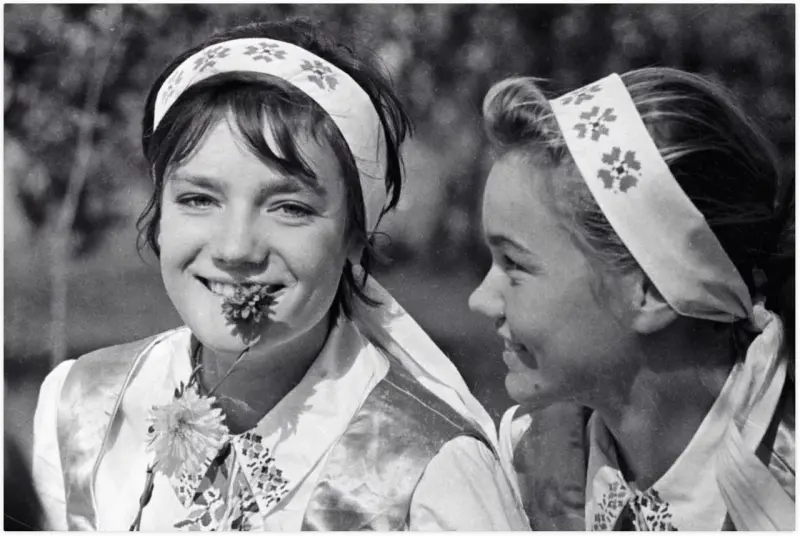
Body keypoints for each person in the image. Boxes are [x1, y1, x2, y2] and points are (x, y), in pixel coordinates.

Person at [32, 18, 528, 531]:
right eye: (198, 199)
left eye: (289, 208)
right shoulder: (83, 409)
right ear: (160, 213)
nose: (235, 248)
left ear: (355, 235)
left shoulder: (427, 472)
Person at [469, 67, 794, 530]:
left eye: (515, 265)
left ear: (652, 291)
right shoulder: (526, 462)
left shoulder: (782, 497)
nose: (480, 300)